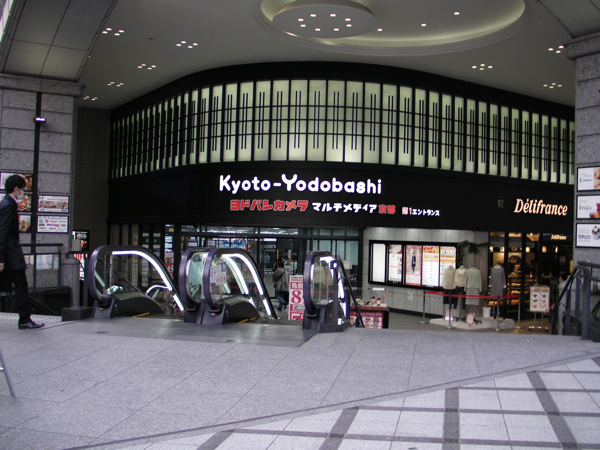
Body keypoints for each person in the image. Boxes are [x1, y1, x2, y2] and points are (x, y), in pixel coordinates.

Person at [0, 175, 44, 329]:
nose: (22, 193)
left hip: (8, 254)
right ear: (16, 189)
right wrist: (1, 259)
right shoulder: (8, 205)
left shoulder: (5, 203)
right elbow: (3, 233)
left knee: (14, 287)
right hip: (10, 255)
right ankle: (24, 319)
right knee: (21, 287)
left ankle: (25, 319)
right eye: (22, 190)